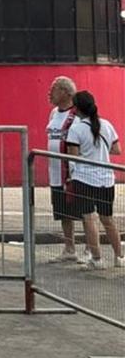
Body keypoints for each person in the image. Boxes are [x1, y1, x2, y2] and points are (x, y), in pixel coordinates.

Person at [64, 91, 122, 270]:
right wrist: (99, 150)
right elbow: (117, 149)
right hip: (106, 178)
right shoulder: (107, 125)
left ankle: (97, 259)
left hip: (84, 178)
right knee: (108, 219)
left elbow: (73, 156)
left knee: (89, 218)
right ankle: (119, 257)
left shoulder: (76, 129)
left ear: (77, 108)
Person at [44, 77, 79, 261]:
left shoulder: (77, 114)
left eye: (53, 89)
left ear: (65, 92)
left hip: (72, 173)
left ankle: (90, 250)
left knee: (83, 212)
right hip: (55, 172)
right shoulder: (53, 113)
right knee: (63, 212)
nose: (49, 93)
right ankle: (69, 248)